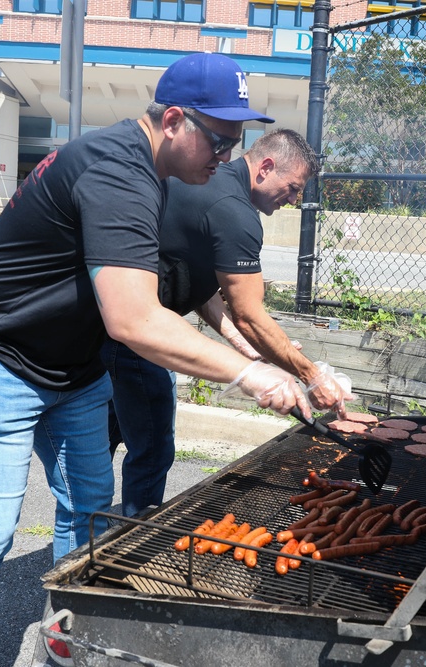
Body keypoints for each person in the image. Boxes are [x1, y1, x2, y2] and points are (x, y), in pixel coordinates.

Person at [0, 53, 311, 667]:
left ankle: (68, 651)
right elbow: (134, 320)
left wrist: (237, 339)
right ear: (174, 119)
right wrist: (251, 373)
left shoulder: (158, 171)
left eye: (234, 144)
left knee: (89, 519)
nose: (226, 157)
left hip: (73, 368)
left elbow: (177, 285)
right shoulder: (116, 169)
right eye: (220, 141)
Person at [103, 128, 354, 518]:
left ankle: (93, 524)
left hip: (116, 325)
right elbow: (250, 315)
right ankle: (135, 531)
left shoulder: (208, 183)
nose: (294, 199)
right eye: (292, 187)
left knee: (110, 437)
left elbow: (192, 280)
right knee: (151, 446)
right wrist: (312, 376)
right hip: (142, 334)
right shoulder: (235, 211)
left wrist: (240, 342)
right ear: (266, 167)